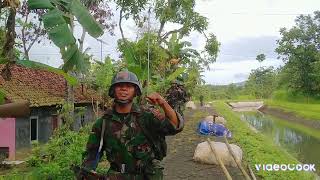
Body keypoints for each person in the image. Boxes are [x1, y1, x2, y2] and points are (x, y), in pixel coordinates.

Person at [79, 70, 184, 180]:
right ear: (113, 91)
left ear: (135, 91)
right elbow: (92, 153)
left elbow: (175, 126)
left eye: (129, 86)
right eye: (119, 86)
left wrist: (163, 103)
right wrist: (87, 173)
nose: (124, 89)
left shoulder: (147, 116)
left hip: (147, 176)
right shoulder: (103, 123)